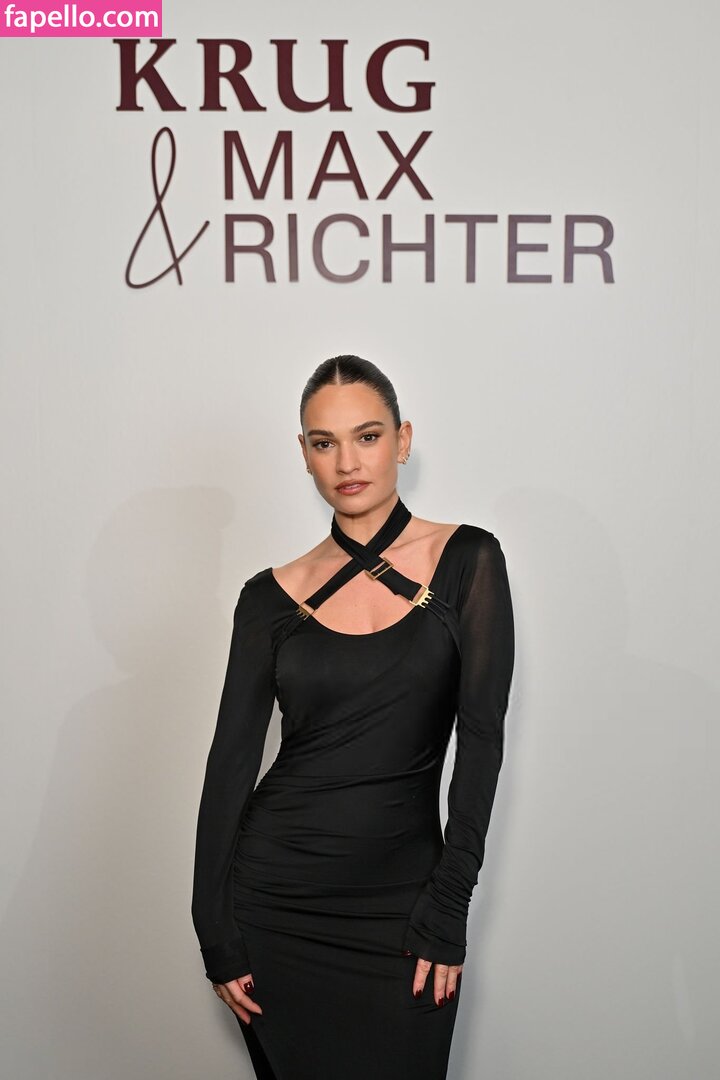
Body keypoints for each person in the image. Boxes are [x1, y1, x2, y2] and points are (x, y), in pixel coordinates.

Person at [191, 354, 515, 1080]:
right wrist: (213, 927)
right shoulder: (268, 598)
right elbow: (229, 767)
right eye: (324, 442)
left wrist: (450, 903)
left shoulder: (468, 560)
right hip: (275, 905)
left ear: (403, 441)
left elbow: (482, 741)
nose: (347, 462)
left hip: (406, 905)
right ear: (304, 453)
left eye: (367, 437)